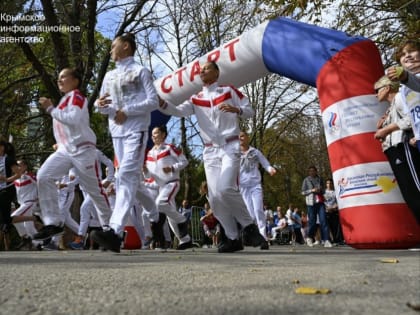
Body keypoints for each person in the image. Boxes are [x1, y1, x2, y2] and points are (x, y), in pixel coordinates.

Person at [159, 61, 265, 253]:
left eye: (207, 68)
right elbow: (177, 111)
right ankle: (233, 238)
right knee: (215, 198)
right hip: (209, 151)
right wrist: (162, 103)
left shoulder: (229, 91)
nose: (202, 71)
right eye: (201, 69)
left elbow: (250, 110)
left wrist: (237, 110)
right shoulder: (196, 98)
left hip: (230, 146)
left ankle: (249, 227)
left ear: (216, 72)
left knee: (225, 188)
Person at [93, 33, 165, 252]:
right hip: (117, 132)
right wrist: (99, 104)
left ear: (126, 46)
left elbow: (153, 101)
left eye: (113, 46)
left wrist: (127, 111)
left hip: (136, 130)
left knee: (124, 175)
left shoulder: (141, 71)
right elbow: (102, 105)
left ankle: (114, 231)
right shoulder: (109, 76)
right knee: (134, 181)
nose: (110, 50)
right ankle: (156, 216)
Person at [34, 68, 112, 243]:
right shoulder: (64, 100)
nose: (59, 80)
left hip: (83, 150)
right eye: (58, 77)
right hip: (65, 150)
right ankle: (53, 223)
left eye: (63, 77)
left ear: (75, 81)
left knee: (94, 191)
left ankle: (110, 229)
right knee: (44, 176)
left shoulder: (77, 97)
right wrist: (60, 142)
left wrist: (50, 109)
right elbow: (65, 127)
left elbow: (74, 119)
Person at [374, 75, 420, 223]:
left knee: (415, 190)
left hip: (403, 147)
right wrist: (382, 129)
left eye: (377, 90)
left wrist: (386, 129)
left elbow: (410, 119)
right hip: (393, 149)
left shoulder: (400, 97)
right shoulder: (390, 107)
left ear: (387, 88)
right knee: (408, 194)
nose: (376, 94)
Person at [144, 125, 192, 250]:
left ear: (163, 134)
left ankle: (182, 219)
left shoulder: (170, 148)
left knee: (159, 204)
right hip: (161, 186)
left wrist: (172, 168)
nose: (153, 136)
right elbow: (149, 174)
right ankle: (185, 240)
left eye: (156, 133)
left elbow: (184, 161)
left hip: (172, 183)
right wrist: (144, 171)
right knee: (170, 217)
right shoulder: (149, 153)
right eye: (152, 134)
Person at [69, 149, 115, 249]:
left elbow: (109, 163)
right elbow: (72, 167)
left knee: (84, 209)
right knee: (97, 215)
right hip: (84, 189)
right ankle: (112, 237)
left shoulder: (96, 152)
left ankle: (80, 238)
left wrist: (109, 178)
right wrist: (71, 175)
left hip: (95, 187)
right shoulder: (76, 153)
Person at [239, 131, 276, 250]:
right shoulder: (235, 153)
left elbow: (265, 163)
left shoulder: (255, 152)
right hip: (243, 186)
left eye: (243, 136)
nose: (241, 138)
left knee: (259, 210)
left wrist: (270, 169)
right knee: (250, 214)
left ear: (247, 138)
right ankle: (252, 237)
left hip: (255, 185)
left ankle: (263, 237)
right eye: (238, 136)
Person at [386, 40, 420, 152]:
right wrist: (414, 135)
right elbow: (411, 116)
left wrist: (405, 77)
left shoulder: (407, 79)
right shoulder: (404, 88)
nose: (408, 56)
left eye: (412, 51)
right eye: (403, 55)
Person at [11, 159, 40, 250]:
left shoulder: (29, 176)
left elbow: (41, 184)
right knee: (29, 226)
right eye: (16, 165)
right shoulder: (15, 179)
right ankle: (40, 243)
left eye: (20, 165)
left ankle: (25, 238)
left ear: (25, 167)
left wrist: (39, 197)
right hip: (22, 204)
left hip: (30, 202)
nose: (17, 167)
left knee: (13, 217)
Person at [301, 165, 332, 248]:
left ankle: (326, 240)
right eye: (310, 171)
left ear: (316, 171)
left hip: (320, 202)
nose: (312, 172)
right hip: (311, 203)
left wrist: (320, 190)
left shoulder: (320, 179)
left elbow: (323, 190)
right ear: (309, 172)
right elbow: (303, 192)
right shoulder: (306, 180)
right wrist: (312, 190)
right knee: (312, 222)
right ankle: (309, 238)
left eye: (313, 171)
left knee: (324, 220)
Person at [324, 178, 344, 244]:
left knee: (335, 226)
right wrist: (327, 208)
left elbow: (338, 202)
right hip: (326, 211)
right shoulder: (323, 192)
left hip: (334, 211)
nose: (329, 184)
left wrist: (333, 208)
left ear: (332, 184)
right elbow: (322, 202)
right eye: (327, 183)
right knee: (327, 226)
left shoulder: (335, 192)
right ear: (326, 184)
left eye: (330, 183)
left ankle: (337, 240)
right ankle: (328, 240)